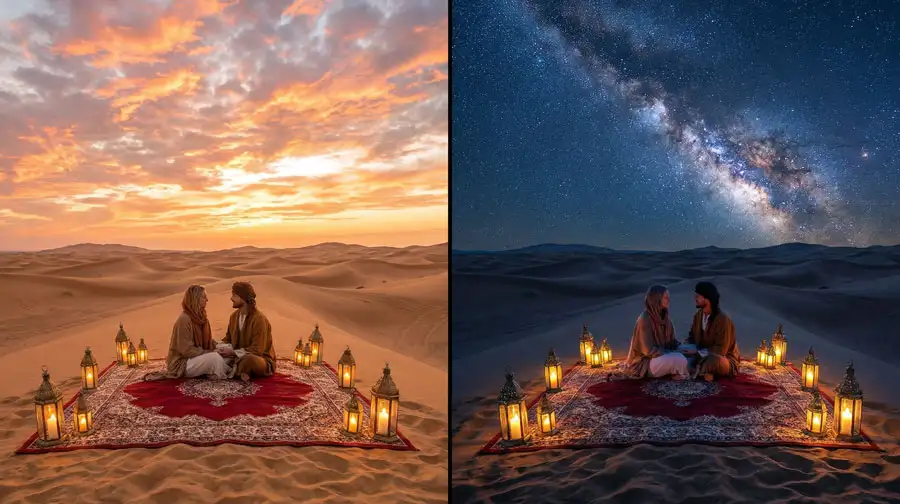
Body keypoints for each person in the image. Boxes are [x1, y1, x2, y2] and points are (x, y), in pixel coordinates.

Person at [164, 285, 232, 379]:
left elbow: (207, 341)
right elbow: (186, 350)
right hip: (183, 362)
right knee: (214, 358)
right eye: (204, 297)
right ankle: (229, 372)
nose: (207, 300)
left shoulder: (202, 317)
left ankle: (215, 370)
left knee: (228, 348)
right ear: (195, 299)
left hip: (198, 356)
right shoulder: (184, 319)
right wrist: (209, 352)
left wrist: (217, 346)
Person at [626, 284, 690, 380]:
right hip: (647, 362)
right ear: (657, 299)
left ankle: (678, 371)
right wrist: (671, 352)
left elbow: (672, 342)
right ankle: (683, 374)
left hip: (663, 355)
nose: (669, 300)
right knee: (679, 358)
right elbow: (648, 350)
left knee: (689, 351)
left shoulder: (666, 319)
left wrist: (682, 348)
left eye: (668, 297)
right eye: (665, 297)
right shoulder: (645, 319)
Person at [217, 281, 277, 381]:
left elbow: (257, 350)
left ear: (243, 298)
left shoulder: (259, 319)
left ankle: (236, 371)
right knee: (215, 355)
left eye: (234, 295)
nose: (231, 298)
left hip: (260, 359)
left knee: (249, 360)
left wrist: (233, 353)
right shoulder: (233, 317)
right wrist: (217, 345)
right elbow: (228, 339)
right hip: (237, 356)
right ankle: (240, 372)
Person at [686, 281, 740, 380]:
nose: (695, 298)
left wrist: (698, 352)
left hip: (722, 359)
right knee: (681, 355)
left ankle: (696, 372)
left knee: (713, 361)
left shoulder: (723, 319)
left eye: (698, 296)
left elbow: (721, 350)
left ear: (706, 299)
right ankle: (702, 373)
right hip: (700, 355)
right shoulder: (698, 316)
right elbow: (691, 337)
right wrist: (685, 347)